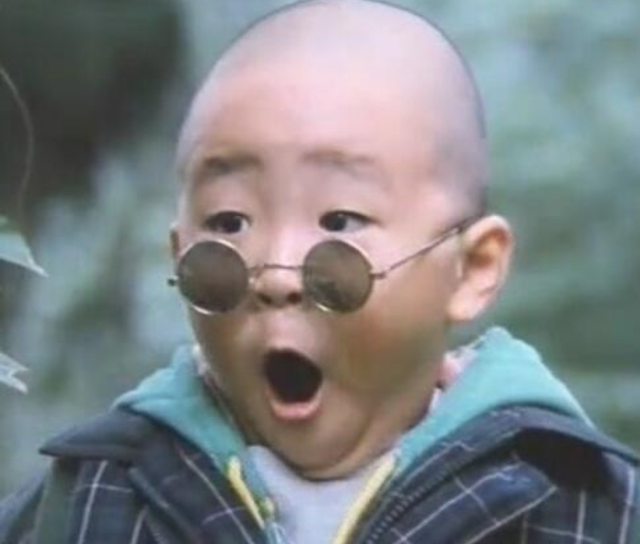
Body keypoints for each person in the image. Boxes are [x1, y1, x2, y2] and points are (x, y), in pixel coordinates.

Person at [1, 1, 638, 542]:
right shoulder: (84, 504)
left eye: (339, 221)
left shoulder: (586, 508)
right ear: (178, 254)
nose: (275, 275)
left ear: (472, 268)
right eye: (229, 223)